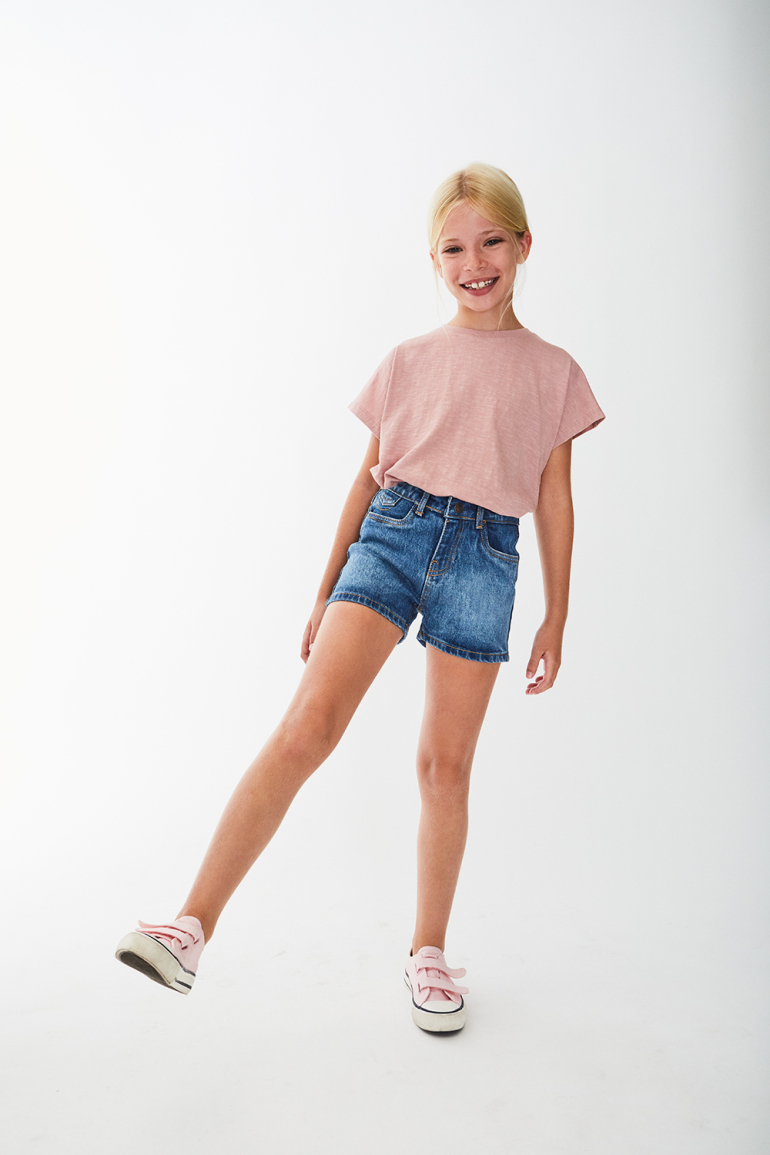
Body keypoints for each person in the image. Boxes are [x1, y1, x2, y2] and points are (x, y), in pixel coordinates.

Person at [115, 162, 605, 1033]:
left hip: (485, 558)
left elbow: (557, 498)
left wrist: (558, 613)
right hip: (391, 536)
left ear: (525, 245)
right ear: (434, 260)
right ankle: (189, 927)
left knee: (444, 767)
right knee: (307, 727)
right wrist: (324, 586)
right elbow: (364, 477)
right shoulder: (408, 360)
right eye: (453, 248)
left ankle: (428, 953)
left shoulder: (555, 371)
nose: (474, 263)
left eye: (492, 242)